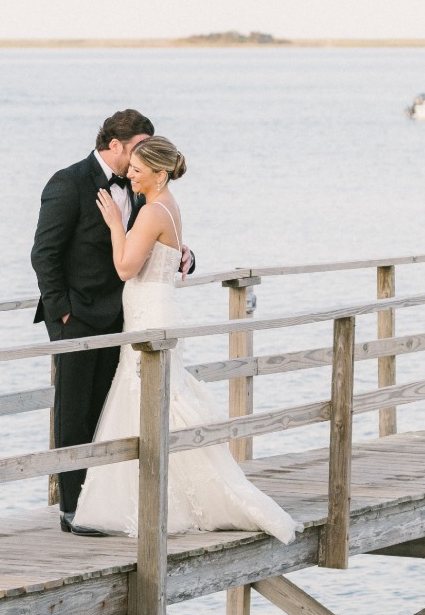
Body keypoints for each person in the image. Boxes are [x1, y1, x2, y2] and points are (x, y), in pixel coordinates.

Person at [74, 135, 297, 543]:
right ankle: (145, 499)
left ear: (159, 175)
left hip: (149, 314)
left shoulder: (151, 212)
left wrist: (113, 226)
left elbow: (125, 267)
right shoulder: (166, 206)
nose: (130, 175)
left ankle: (160, 501)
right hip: (153, 307)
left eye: (138, 171)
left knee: (151, 397)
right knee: (155, 397)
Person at [33, 109, 194, 530]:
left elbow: (153, 243)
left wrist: (185, 256)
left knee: (112, 413)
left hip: (127, 320)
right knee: (73, 416)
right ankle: (72, 509)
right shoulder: (68, 182)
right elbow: (44, 254)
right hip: (79, 320)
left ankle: (106, 504)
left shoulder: (141, 183)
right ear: (117, 145)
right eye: (138, 148)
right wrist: (62, 313)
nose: (143, 159)